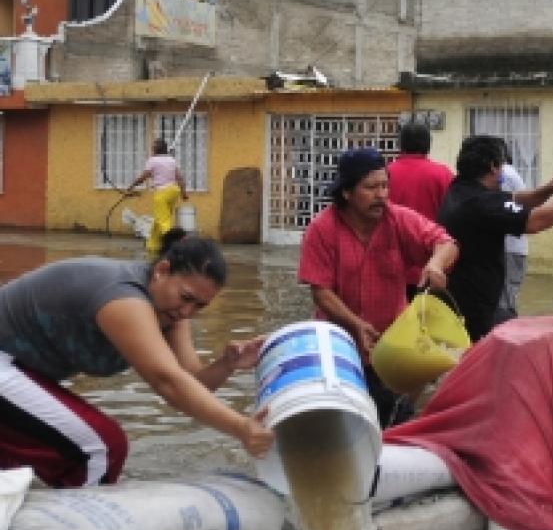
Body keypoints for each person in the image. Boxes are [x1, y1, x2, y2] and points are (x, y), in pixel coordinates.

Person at [0, 229, 273, 488]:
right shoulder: (124, 298)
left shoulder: (172, 312)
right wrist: (241, 428)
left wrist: (228, 364)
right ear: (162, 270)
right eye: (186, 298)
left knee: (17, 474)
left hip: (16, 373)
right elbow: (167, 382)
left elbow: (191, 382)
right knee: (101, 447)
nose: (188, 311)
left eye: (199, 306)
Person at [299, 147, 459, 427]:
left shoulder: (398, 219)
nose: (382, 195)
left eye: (385, 185)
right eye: (371, 187)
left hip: (393, 344)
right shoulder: (322, 229)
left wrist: (435, 264)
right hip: (339, 347)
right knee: (344, 425)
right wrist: (356, 324)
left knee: (394, 421)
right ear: (346, 193)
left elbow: (445, 242)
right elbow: (320, 291)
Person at [438, 136, 553, 342]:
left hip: (459, 296)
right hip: (475, 306)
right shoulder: (482, 203)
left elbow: (515, 199)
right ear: (493, 166)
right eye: (502, 165)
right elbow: (537, 221)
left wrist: (549, 189)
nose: (503, 170)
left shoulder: (460, 189)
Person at [386, 122, 456, 300]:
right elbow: (453, 216)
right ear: (428, 144)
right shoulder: (443, 174)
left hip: (391, 265)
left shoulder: (385, 174)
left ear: (401, 144)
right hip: (431, 267)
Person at [126, 138, 188, 255]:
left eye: (152, 147)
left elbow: (144, 177)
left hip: (162, 192)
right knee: (159, 220)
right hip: (174, 191)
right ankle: (153, 245)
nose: (151, 149)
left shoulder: (153, 160)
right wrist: (183, 192)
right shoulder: (172, 160)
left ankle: (174, 245)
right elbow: (180, 178)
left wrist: (132, 185)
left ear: (155, 149)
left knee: (163, 221)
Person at [494, 139, 529, 327]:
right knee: (507, 298)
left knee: (505, 301)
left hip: (509, 247)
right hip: (512, 247)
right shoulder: (510, 173)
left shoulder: (504, 174)